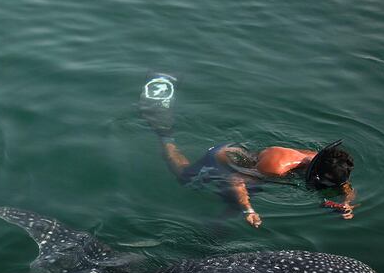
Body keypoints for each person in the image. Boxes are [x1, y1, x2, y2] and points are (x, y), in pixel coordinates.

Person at [139, 73, 357, 229]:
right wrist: (248, 211)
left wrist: (346, 203)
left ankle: (215, 227)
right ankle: (164, 134)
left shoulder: (320, 160)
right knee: (185, 177)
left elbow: (344, 185)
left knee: (237, 200)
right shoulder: (276, 167)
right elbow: (236, 180)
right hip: (224, 158)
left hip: (252, 166)